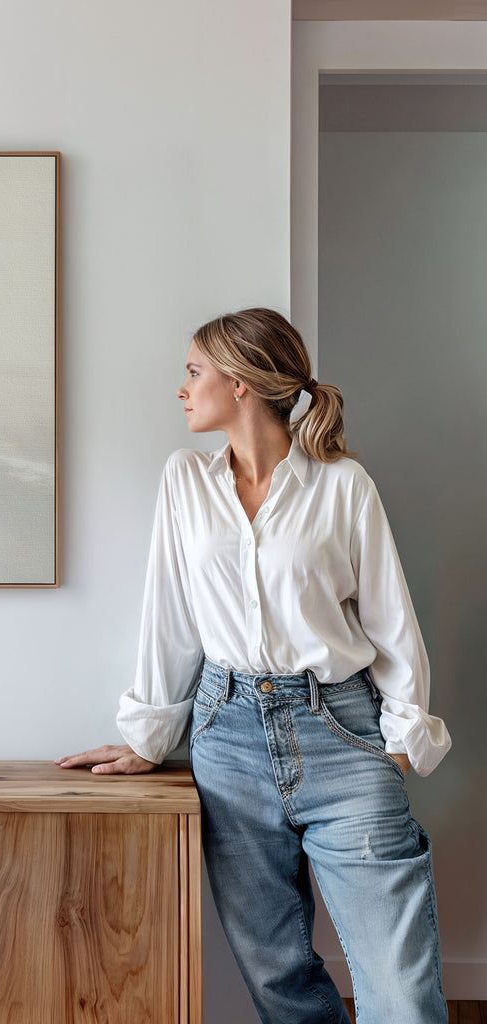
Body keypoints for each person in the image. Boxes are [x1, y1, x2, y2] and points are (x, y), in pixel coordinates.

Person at [57, 308, 451, 1024]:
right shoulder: (185, 480)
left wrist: (399, 743)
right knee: (278, 978)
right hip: (227, 737)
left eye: (194, 372)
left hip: (342, 731)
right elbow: (170, 617)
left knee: (400, 988)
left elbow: (392, 621)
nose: (182, 389)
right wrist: (150, 736)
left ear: (239, 383)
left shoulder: (343, 485)